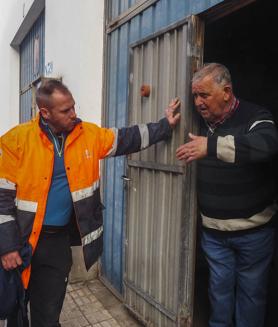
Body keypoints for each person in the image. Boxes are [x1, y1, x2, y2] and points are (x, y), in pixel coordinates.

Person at [0, 79, 180, 327]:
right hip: (21, 241)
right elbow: (2, 198)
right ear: (45, 112)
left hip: (57, 242)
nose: (74, 114)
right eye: (66, 110)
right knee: (16, 309)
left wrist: (164, 127)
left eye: (74, 107)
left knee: (48, 314)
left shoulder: (87, 134)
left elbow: (125, 138)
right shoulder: (16, 140)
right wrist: (7, 247)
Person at [176, 63, 278, 327]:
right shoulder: (196, 121)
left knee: (252, 295)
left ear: (226, 91)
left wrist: (210, 146)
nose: (198, 102)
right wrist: (167, 121)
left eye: (204, 95)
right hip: (214, 233)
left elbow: (267, 145)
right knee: (219, 294)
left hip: (254, 233)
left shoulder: (255, 116)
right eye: (195, 96)